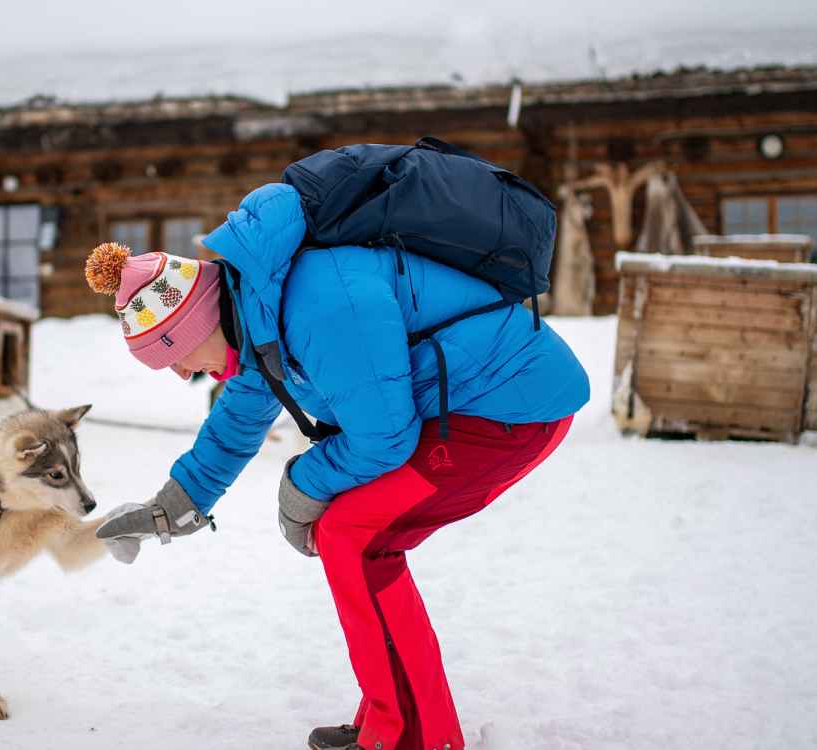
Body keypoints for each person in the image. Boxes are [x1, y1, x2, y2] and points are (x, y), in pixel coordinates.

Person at [88, 182, 589, 750]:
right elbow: (236, 425)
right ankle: (398, 718)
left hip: (511, 406)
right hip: (475, 405)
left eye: (172, 358)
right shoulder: (258, 315)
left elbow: (383, 439)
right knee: (352, 534)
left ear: (198, 323)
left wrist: (301, 483)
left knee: (351, 532)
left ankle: (410, 734)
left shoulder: (317, 301)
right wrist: (172, 506)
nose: (181, 375)